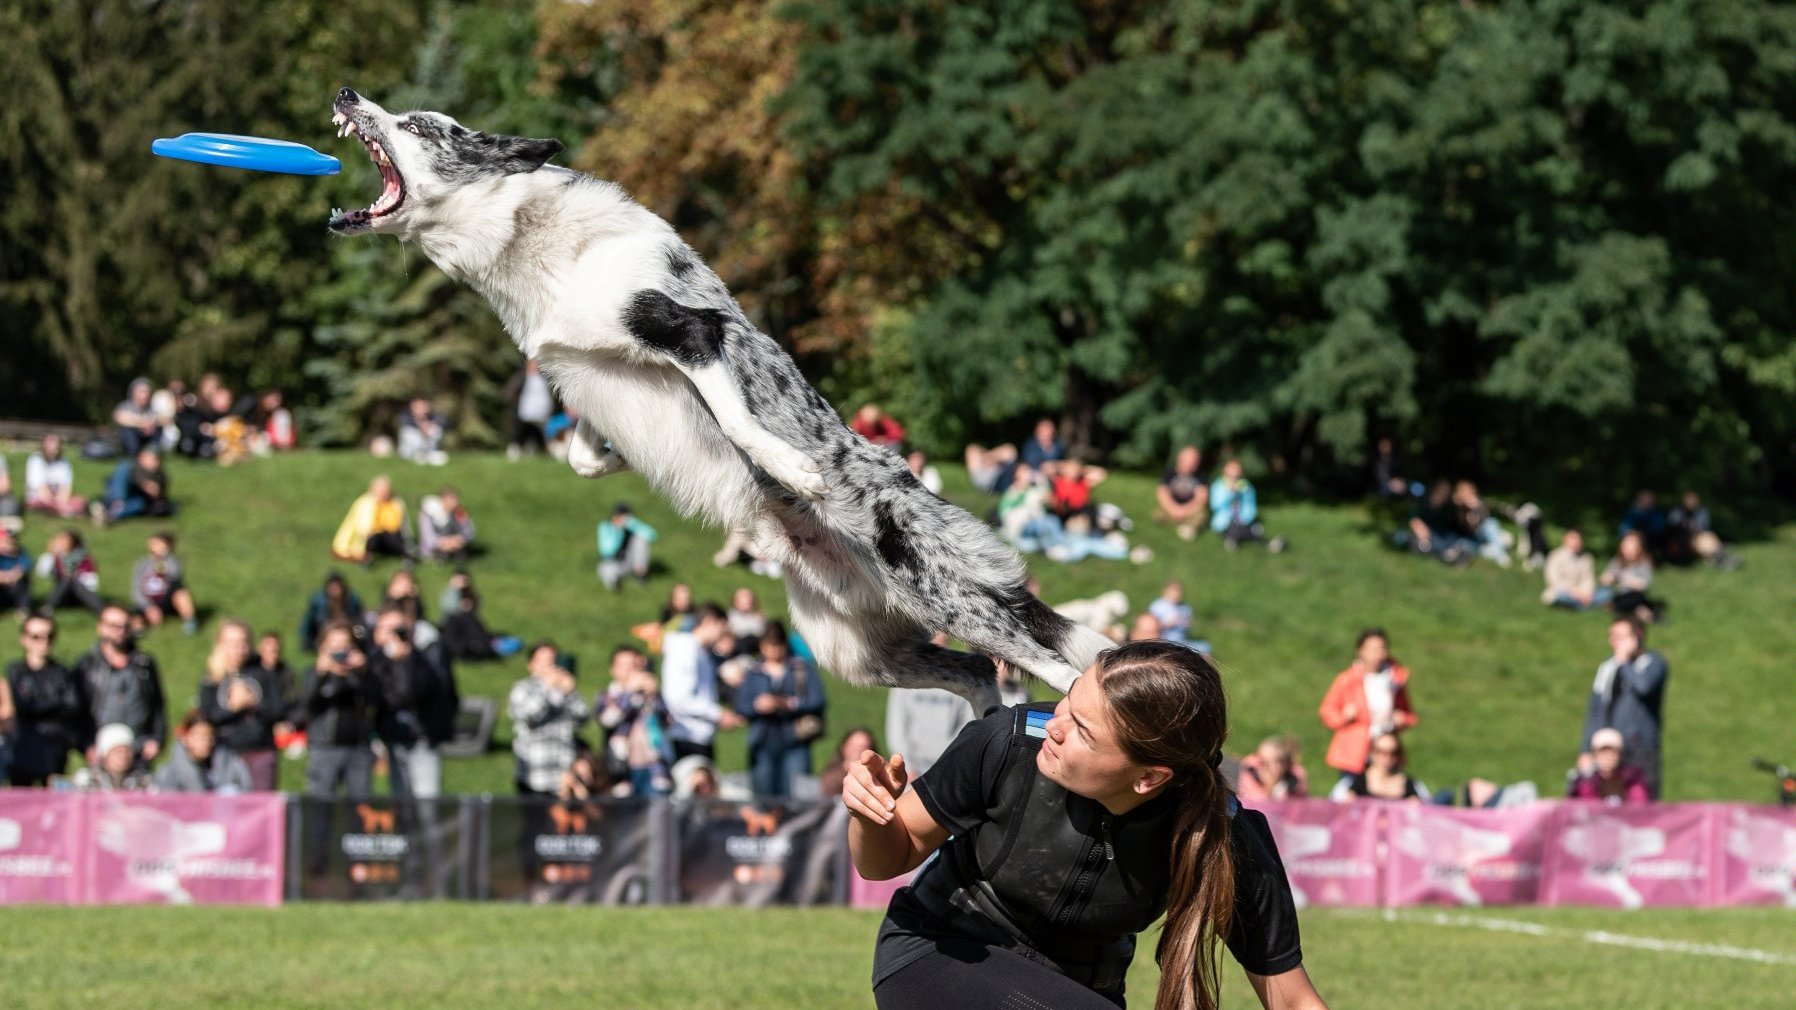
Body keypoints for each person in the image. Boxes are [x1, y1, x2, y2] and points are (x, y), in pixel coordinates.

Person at [845, 640, 1323, 1010]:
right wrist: (870, 816)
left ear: (1149, 778)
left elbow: (1291, 997)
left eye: (1084, 731)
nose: (1054, 725)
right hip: (941, 951)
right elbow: (886, 860)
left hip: (1081, 989)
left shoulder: (1224, 833)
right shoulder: (1005, 743)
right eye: (1069, 701)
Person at [369, 605, 459, 801]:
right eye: (386, 628)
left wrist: (407, 659)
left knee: (427, 802)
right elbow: (380, 694)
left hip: (423, 736)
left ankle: (427, 833)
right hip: (393, 737)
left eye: (398, 628)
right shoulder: (376, 659)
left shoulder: (426, 653)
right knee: (401, 801)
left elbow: (419, 690)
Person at [735, 620, 827, 800]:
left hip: (795, 740)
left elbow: (818, 699)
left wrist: (790, 704)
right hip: (763, 741)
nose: (773, 652)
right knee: (765, 797)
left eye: (777, 646)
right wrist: (758, 705)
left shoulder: (800, 668)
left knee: (795, 796)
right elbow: (741, 705)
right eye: (768, 646)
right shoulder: (755, 672)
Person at [1579, 615, 1668, 799]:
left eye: (1620, 636)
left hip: (1640, 747)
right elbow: (1596, 708)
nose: (1614, 642)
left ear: (1637, 636)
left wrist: (1625, 661)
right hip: (1610, 749)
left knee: (1643, 801)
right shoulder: (1608, 667)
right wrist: (1586, 749)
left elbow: (1644, 687)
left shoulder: (1653, 662)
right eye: (1612, 636)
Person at [197, 619, 287, 791]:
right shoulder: (212, 677)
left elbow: (279, 711)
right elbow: (205, 717)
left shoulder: (263, 671)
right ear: (220, 645)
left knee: (260, 807)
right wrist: (232, 708)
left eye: (243, 643)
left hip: (261, 751)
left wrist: (254, 703)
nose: (238, 649)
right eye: (232, 644)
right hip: (226, 753)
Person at [1318, 628, 1417, 778]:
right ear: (1360, 651)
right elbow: (1327, 711)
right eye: (1372, 649)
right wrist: (1345, 716)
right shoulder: (1347, 680)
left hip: (1385, 750)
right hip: (1355, 752)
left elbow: (1409, 714)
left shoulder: (1394, 678)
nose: (1378, 654)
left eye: (1382, 648)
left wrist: (1402, 719)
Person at [77, 604, 167, 766]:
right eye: (113, 625)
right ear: (100, 627)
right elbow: (78, 710)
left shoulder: (144, 665)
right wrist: (85, 744)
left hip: (139, 750)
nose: (119, 631)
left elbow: (158, 705)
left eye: (125, 626)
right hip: (101, 750)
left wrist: (157, 739)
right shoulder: (86, 666)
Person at [299, 621, 376, 803]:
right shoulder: (314, 674)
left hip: (358, 748)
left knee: (359, 809)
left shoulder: (357, 676)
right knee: (320, 805)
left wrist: (363, 671)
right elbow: (304, 705)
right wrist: (321, 674)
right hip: (325, 747)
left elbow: (376, 699)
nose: (340, 652)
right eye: (334, 647)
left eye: (345, 646)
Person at [7, 615, 89, 785]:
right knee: (22, 802)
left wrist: (38, 704)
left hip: (55, 747)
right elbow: (22, 706)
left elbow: (73, 706)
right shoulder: (16, 671)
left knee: (55, 802)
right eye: (36, 636)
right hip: (23, 747)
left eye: (48, 636)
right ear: (24, 639)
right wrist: (55, 701)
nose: (43, 642)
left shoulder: (63, 672)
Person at [884, 640, 976, 781]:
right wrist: (906, 766)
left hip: (947, 772)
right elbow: (897, 725)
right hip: (912, 774)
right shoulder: (904, 677)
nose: (936, 639)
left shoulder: (960, 679)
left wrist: (952, 764)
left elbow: (967, 723)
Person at [509, 641, 592, 797]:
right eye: (543, 661)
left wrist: (570, 693)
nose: (549, 666)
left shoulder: (563, 689)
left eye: (552, 660)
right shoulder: (522, 689)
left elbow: (583, 719)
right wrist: (547, 689)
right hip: (534, 775)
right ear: (531, 664)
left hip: (564, 776)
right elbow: (530, 717)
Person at [660, 604, 743, 761]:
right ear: (709, 621)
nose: (722, 636)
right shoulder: (685, 648)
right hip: (686, 737)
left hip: (700, 736)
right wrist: (718, 714)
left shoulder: (703, 653)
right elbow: (680, 698)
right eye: (721, 629)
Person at [596, 646, 675, 797]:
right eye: (623, 666)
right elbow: (608, 720)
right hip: (622, 773)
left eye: (633, 665)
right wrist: (629, 693)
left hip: (655, 769)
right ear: (613, 669)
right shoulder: (607, 696)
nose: (629, 671)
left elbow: (669, 722)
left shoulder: (649, 696)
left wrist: (654, 696)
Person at [154, 710, 255, 793]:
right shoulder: (170, 773)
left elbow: (245, 789)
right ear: (185, 738)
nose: (205, 742)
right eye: (199, 737)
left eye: (209, 736)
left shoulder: (229, 764)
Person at [331, 475, 411, 564]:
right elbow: (363, 529)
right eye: (381, 490)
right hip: (370, 539)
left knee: (395, 540)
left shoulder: (395, 502)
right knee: (375, 538)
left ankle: (406, 558)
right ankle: (368, 560)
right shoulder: (365, 503)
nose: (383, 493)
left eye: (385, 490)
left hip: (391, 536)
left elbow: (403, 525)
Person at [1209, 459, 1285, 552]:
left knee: (1244, 529)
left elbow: (1250, 506)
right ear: (1225, 470)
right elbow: (1215, 505)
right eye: (1231, 470)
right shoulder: (1218, 486)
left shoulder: (1246, 487)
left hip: (1242, 520)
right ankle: (1266, 542)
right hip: (1225, 521)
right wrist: (1230, 493)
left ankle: (1233, 539)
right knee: (1241, 530)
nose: (1234, 473)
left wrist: (1245, 518)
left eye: (1236, 470)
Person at [130, 532, 198, 634]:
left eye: (158, 544)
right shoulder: (142, 564)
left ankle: (190, 622)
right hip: (147, 601)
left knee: (182, 594)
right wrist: (149, 607)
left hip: (167, 600)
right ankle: (138, 629)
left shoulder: (173, 562)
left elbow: (175, 574)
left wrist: (163, 559)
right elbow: (136, 589)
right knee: (134, 618)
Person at [1328, 732, 1426, 802]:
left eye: (1393, 752)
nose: (1387, 757)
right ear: (1371, 753)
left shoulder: (1411, 786)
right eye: (1381, 752)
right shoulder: (1351, 784)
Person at [1566, 726, 1651, 805]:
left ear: (1620, 754)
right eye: (1603, 752)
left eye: (1612, 751)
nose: (1608, 757)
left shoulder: (1632, 779)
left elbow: (1640, 806)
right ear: (1595, 754)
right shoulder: (1586, 782)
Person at [95, 446, 174, 525]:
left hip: (135, 499)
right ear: (142, 457)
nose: (156, 463)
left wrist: (156, 494)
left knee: (139, 504)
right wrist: (144, 484)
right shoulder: (132, 466)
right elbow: (120, 481)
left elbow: (162, 500)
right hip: (120, 494)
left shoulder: (160, 476)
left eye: (159, 459)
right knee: (124, 468)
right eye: (153, 459)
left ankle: (110, 515)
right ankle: (116, 504)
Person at [34, 528, 104, 617]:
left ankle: (102, 611)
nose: (60, 543)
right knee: (66, 580)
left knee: (70, 580)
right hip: (62, 595)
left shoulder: (84, 558)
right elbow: (42, 572)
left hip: (81, 595)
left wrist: (74, 578)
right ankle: (48, 608)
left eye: (64, 540)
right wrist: (51, 554)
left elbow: (92, 584)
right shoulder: (55, 558)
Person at [1541, 528, 1612, 611]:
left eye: (1579, 539)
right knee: (1561, 596)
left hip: (1583, 593)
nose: (1576, 541)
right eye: (1573, 538)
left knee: (1606, 593)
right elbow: (1554, 580)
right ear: (1565, 539)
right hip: (1564, 591)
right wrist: (1574, 591)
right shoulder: (1555, 556)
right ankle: (1584, 606)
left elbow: (1588, 579)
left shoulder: (1586, 558)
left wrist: (1585, 594)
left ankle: (1577, 606)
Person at [1600, 531, 1661, 623]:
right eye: (1625, 545)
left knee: (1632, 600)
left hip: (1636, 596)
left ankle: (1641, 612)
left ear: (1638, 547)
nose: (1628, 549)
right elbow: (1604, 579)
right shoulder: (1617, 561)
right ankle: (1641, 612)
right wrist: (1610, 578)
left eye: (1631, 545)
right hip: (1620, 595)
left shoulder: (1644, 562)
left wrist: (1624, 579)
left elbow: (1644, 585)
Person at [70, 723, 152, 792]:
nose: (122, 756)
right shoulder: (87, 778)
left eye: (126, 751)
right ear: (105, 755)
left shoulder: (144, 780)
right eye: (117, 751)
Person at [1403, 480, 1468, 564]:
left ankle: (1449, 553)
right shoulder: (1423, 501)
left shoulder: (1448, 507)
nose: (1443, 496)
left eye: (1446, 493)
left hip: (1440, 534)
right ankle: (1447, 554)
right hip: (1426, 533)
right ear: (1434, 490)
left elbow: (1455, 523)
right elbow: (1415, 520)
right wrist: (1423, 534)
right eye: (1441, 492)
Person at [298, 571, 366, 653]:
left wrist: (361, 636)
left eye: (337, 587)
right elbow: (309, 619)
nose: (335, 590)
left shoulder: (351, 600)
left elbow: (358, 618)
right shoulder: (319, 600)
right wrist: (305, 637)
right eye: (332, 587)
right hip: (325, 628)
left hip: (346, 627)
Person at [23, 435, 86, 519]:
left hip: (58, 499)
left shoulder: (64, 462)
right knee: (43, 504)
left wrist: (60, 501)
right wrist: (58, 505)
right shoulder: (35, 460)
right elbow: (41, 489)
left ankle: (63, 510)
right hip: (39, 498)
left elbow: (66, 487)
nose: (52, 450)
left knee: (82, 501)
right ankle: (65, 511)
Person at [505, 359, 556, 460]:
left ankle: (537, 451)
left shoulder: (544, 378)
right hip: (524, 412)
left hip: (541, 414)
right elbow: (510, 390)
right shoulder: (522, 376)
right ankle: (514, 450)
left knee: (538, 434)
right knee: (519, 432)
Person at [1155, 445, 1209, 542]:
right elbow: (1162, 494)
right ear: (1180, 459)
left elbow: (1201, 498)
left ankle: (1186, 525)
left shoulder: (1200, 476)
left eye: (1194, 461)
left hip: (1191, 509)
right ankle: (1179, 521)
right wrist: (1173, 509)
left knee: (1201, 514)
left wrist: (1185, 510)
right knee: (1158, 514)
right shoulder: (1169, 473)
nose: (1191, 464)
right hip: (1172, 506)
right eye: (1188, 461)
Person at [597, 503, 657, 590]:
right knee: (606, 570)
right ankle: (615, 585)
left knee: (641, 539)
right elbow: (607, 551)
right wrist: (618, 531)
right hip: (612, 563)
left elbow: (652, 535)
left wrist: (631, 524)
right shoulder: (605, 527)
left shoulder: (631, 527)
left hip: (629, 562)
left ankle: (640, 574)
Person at [1450, 480, 1510, 567]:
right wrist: (1460, 507)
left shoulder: (1477, 504)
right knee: (1466, 545)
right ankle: (1500, 544)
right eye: (1465, 493)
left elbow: (1486, 517)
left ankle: (1500, 554)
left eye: (1470, 493)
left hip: (1483, 533)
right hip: (1471, 538)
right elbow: (1459, 524)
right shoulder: (1457, 506)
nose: (1467, 496)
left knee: (1491, 523)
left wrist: (1477, 506)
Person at [1236, 736, 1309, 802]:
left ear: (1283, 764)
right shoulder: (1252, 770)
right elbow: (1257, 806)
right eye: (1260, 759)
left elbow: (1298, 806)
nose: (1261, 766)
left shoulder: (1295, 780)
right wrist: (1270, 786)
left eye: (1265, 763)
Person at [418, 486, 476, 563]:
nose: (455, 503)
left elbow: (470, 532)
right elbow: (428, 537)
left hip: (456, 546)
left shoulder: (459, 512)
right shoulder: (428, 512)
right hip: (434, 549)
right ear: (443, 499)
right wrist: (444, 542)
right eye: (451, 500)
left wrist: (459, 539)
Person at [821, 726, 880, 800]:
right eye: (854, 747)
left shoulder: (878, 776)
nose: (858, 752)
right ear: (843, 747)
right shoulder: (832, 777)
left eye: (863, 747)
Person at [1046, 459, 1106, 524]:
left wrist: (1083, 470)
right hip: (1062, 513)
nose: (1073, 472)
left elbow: (1101, 473)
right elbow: (1047, 468)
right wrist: (1060, 466)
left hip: (1080, 513)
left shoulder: (1082, 482)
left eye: (1075, 469)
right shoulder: (1058, 480)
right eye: (1070, 469)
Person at [112, 377, 162, 456]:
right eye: (142, 392)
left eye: (148, 392)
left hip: (146, 436)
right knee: (127, 429)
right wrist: (141, 424)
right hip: (130, 439)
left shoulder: (151, 408)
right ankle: (134, 453)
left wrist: (152, 423)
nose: (146, 395)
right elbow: (120, 417)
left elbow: (164, 419)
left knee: (158, 427)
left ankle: (152, 451)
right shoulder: (125, 406)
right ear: (133, 393)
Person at [396, 396, 449, 466]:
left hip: (428, 452)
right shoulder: (406, 421)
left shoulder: (433, 419)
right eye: (420, 407)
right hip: (411, 453)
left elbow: (445, 422)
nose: (423, 409)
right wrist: (421, 428)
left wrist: (429, 427)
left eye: (424, 406)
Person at [1617, 489, 1668, 557]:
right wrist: (1633, 533)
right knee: (1630, 540)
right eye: (1645, 498)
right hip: (1634, 537)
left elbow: (1660, 529)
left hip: (1651, 541)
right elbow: (1623, 527)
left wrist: (1643, 534)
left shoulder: (1656, 513)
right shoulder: (1632, 512)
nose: (1647, 500)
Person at [1147, 580, 1198, 648]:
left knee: (1205, 647)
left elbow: (1191, 623)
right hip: (1163, 641)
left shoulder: (1185, 607)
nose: (1177, 593)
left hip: (1182, 640)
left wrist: (1188, 623)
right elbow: (1148, 627)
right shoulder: (1157, 606)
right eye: (1174, 590)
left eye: (1179, 590)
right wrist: (1168, 623)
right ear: (1165, 591)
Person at [0, 526, 32, 620]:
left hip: (14, 586)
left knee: (24, 580)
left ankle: (23, 608)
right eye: (5, 541)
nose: (9, 544)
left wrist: (11, 577)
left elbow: (23, 569)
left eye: (11, 541)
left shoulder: (20, 553)